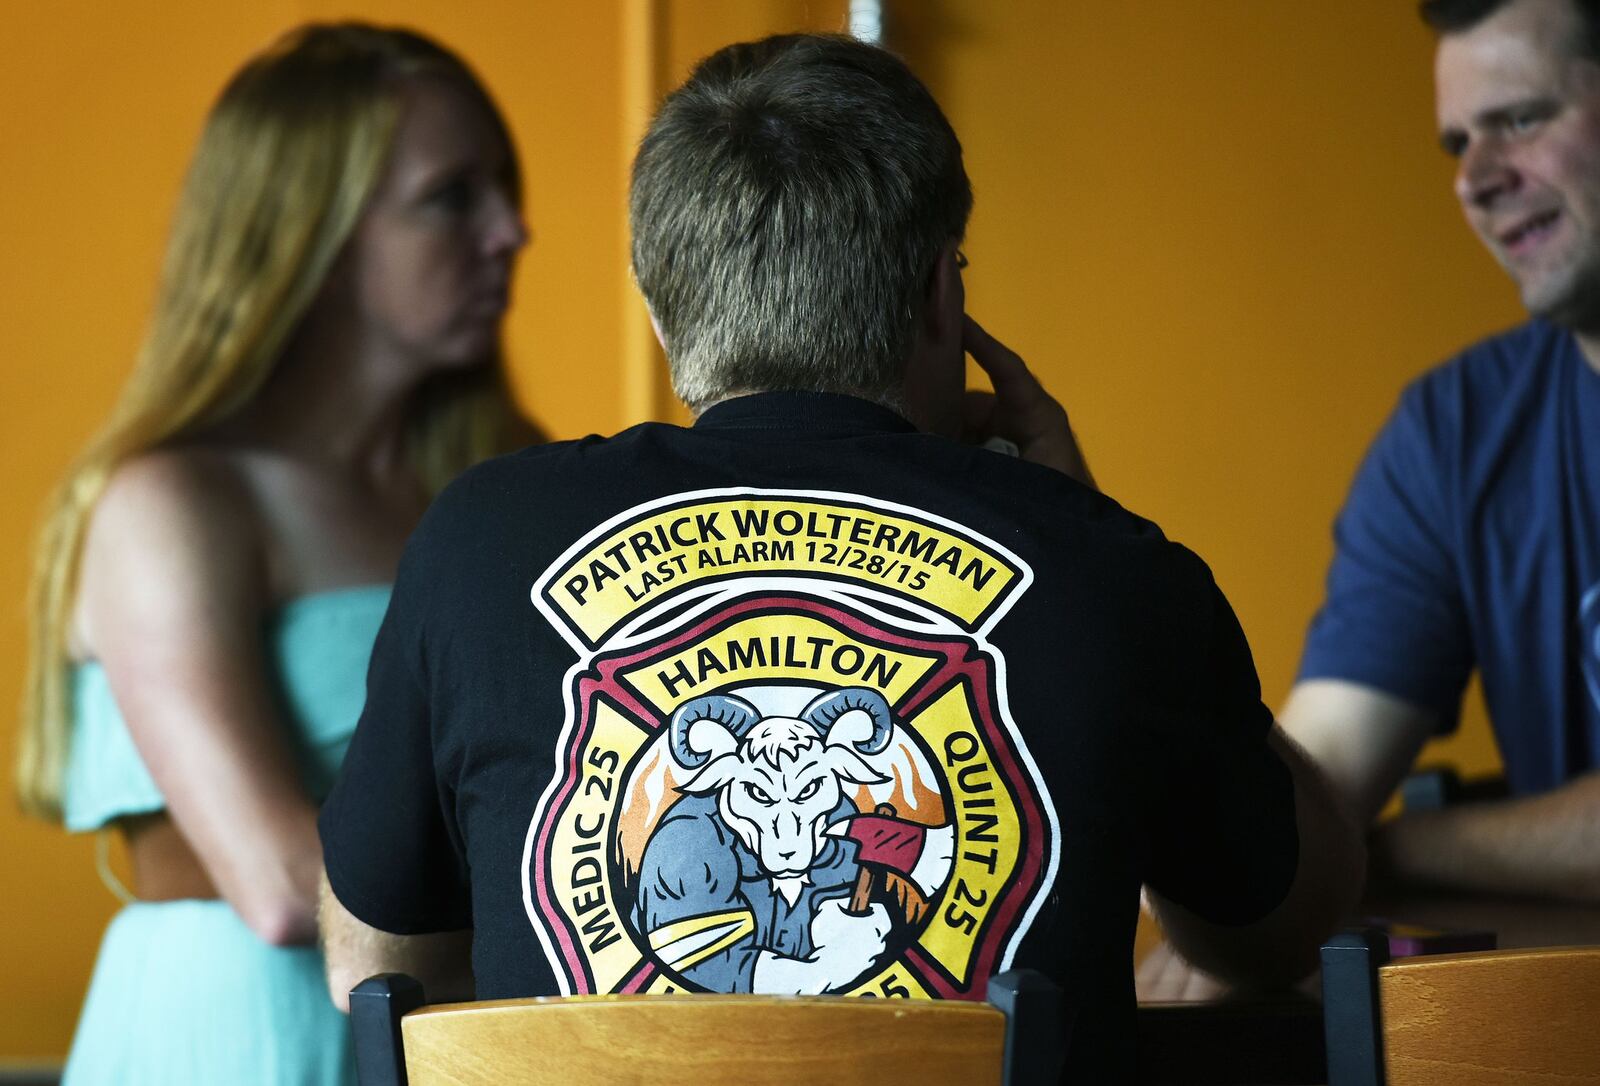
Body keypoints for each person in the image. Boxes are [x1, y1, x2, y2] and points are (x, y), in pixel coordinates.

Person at [316, 33, 1361, 1082]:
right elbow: (1286, 928)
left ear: (657, 307)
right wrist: (1086, 535)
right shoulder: (1113, 571)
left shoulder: (477, 542)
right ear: (942, 297)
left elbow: (374, 968)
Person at [15, 22, 534, 1085]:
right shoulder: (172, 504)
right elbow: (270, 878)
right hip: (247, 1031)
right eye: (452, 196)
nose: (511, 231)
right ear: (318, 238)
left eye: (503, 187)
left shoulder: (496, 491)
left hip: (449, 1037)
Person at [1284, 0, 1600, 915]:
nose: (1476, 178)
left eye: (1522, 119)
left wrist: (1395, 851)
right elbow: (1320, 775)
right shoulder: (1452, 434)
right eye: (1458, 142)